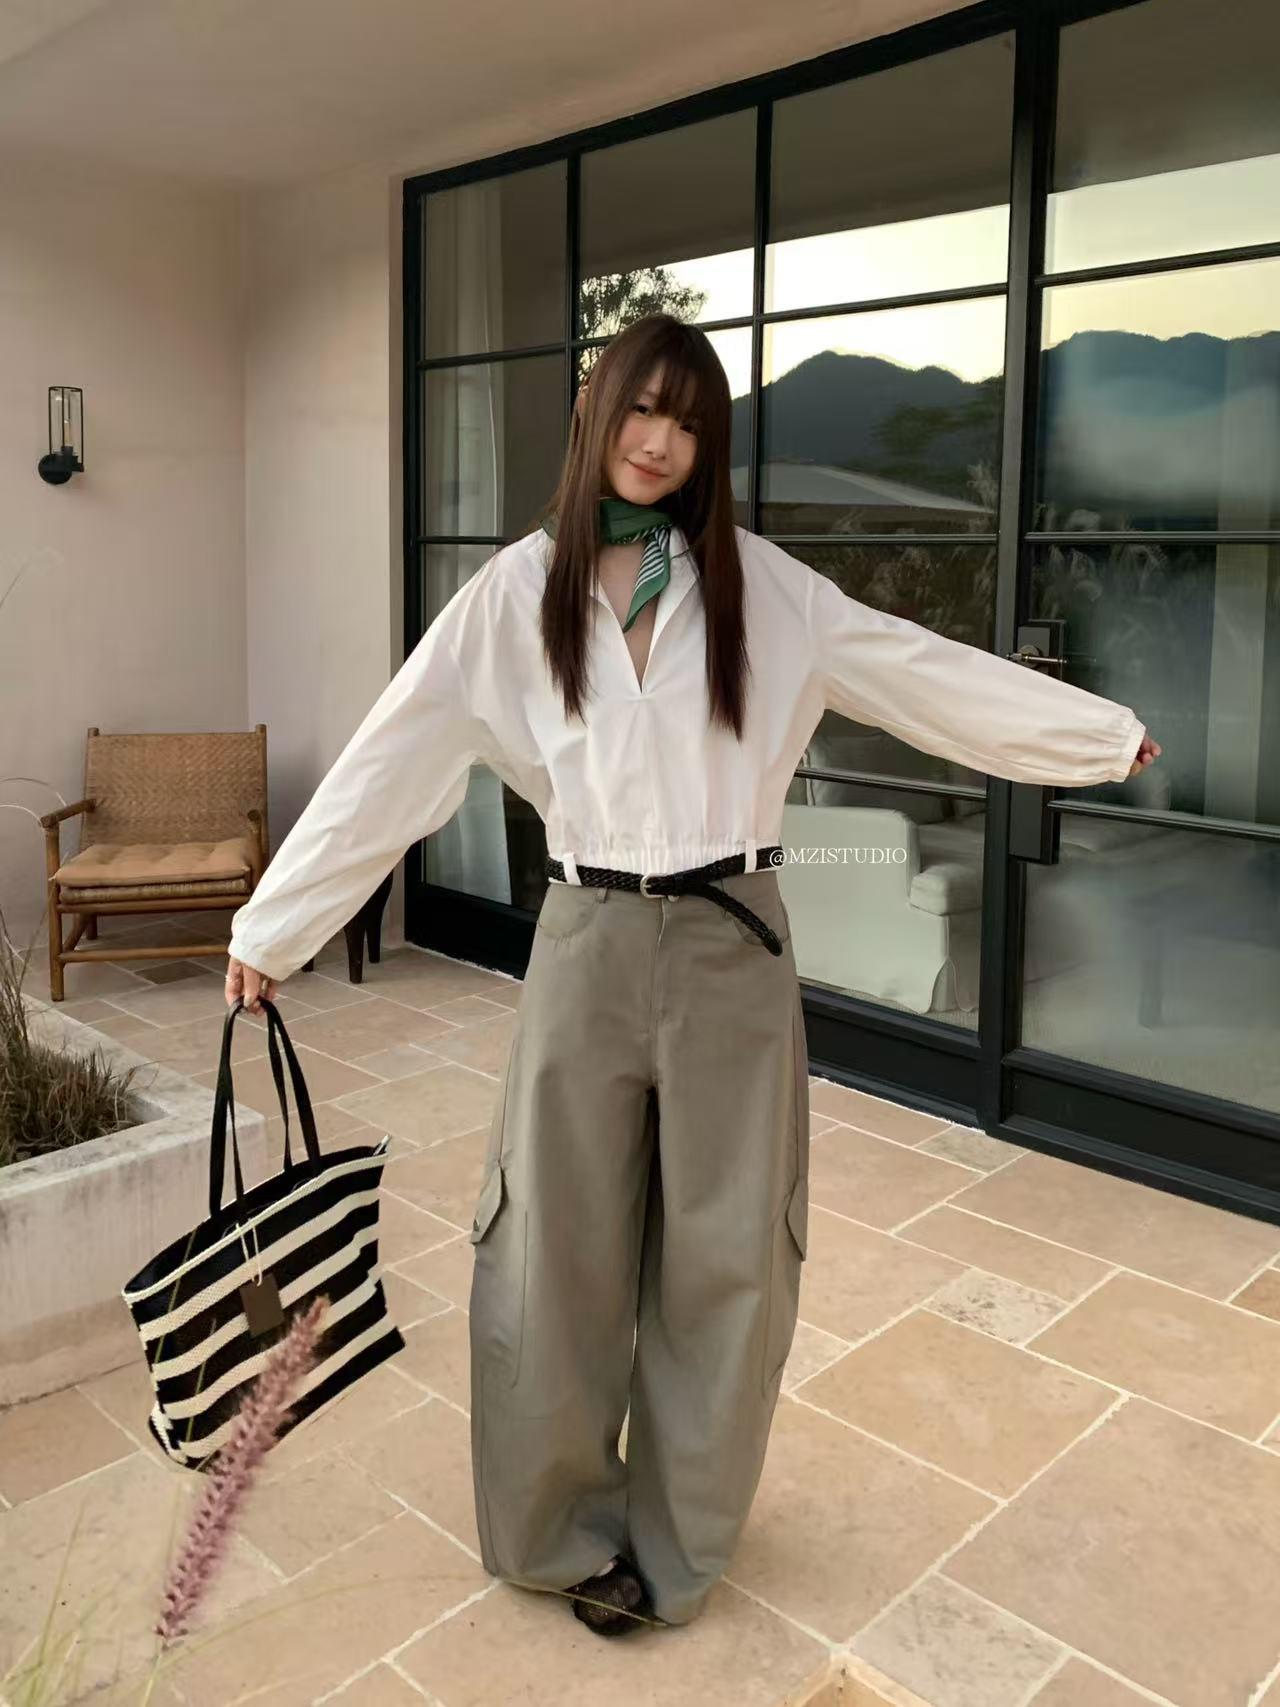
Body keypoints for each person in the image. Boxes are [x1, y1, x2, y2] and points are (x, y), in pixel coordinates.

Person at [225, 312, 1160, 1636]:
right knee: (549, 1247)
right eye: (641, 409)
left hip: (732, 944)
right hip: (587, 941)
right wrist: (275, 929)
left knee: (730, 1259)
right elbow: (393, 759)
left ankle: (675, 1550)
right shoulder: (514, 596)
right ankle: (551, 1534)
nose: (660, 441)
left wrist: (1095, 736)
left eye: (688, 421)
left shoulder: (765, 591)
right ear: (595, 413)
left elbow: (920, 673)